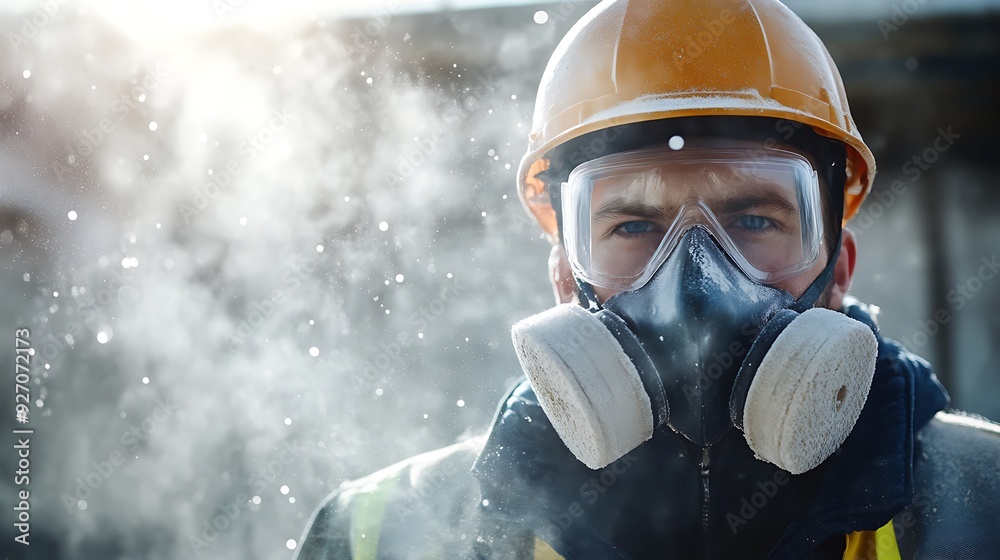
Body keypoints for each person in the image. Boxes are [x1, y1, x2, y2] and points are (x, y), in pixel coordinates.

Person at [293, 1, 1000, 558]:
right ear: (565, 278)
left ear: (837, 268)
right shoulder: (383, 536)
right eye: (633, 226)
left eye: (753, 219)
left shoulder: (984, 504)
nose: (696, 280)